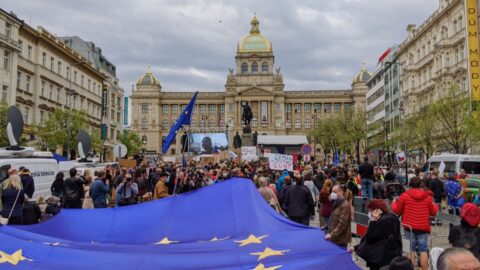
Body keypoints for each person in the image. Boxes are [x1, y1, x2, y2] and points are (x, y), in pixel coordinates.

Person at [391, 176, 439, 270]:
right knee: (423, 250)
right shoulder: (427, 197)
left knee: (410, 250)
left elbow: (397, 211)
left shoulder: (404, 196)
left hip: (409, 227)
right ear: (421, 185)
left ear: (410, 185)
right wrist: (435, 205)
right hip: (423, 227)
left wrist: (393, 203)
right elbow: (433, 212)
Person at [353, 199, 402, 269]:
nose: (369, 213)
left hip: (382, 259)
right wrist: (355, 247)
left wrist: (372, 222)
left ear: (377, 210)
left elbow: (371, 238)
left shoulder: (387, 221)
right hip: (380, 257)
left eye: (370, 211)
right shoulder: (384, 219)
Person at [325, 184, 352, 248]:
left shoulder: (345, 205)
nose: (332, 194)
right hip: (334, 238)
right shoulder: (336, 202)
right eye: (332, 192)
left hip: (340, 240)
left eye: (334, 192)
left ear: (341, 192)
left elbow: (342, 223)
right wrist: (325, 226)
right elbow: (333, 218)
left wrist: (331, 235)